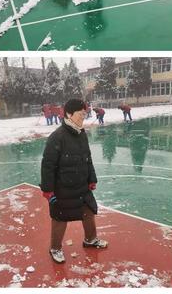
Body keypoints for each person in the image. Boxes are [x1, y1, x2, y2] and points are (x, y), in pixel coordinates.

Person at [40, 98, 108, 264]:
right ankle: (55, 248)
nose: (82, 117)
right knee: (60, 218)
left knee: (89, 212)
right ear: (69, 114)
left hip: (82, 186)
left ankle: (90, 240)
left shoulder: (81, 133)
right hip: (63, 188)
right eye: (80, 114)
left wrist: (92, 178)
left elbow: (87, 158)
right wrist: (48, 191)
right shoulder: (57, 137)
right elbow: (47, 165)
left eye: (84, 114)